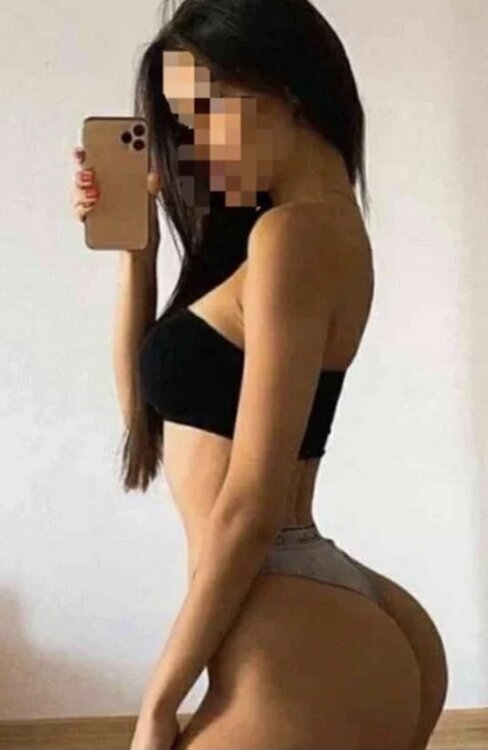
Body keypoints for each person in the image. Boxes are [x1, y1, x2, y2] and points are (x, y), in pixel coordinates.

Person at [71, 1, 448, 748]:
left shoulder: (292, 237)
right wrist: (139, 254)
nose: (196, 142)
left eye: (208, 110)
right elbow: (147, 415)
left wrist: (156, 705)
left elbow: (248, 506)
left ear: (284, 89)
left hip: (292, 624)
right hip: (319, 611)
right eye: (184, 123)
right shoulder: (308, 231)